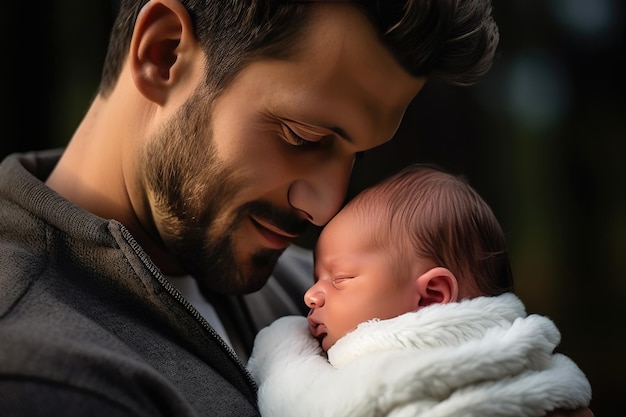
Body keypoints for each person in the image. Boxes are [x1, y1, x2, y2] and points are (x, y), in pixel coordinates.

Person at [0, 0, 593, 416]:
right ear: (164, 54)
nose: (326, 204)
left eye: (356, 157)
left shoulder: (317, 294)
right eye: (302, 136)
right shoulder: (45, 375)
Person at [247, 163, 593, 416]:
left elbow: (306, 404)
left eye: (339, 279)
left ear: (431, 297)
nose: (311, 295)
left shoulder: (390, 370)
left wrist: (281, 349)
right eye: (317, 278)